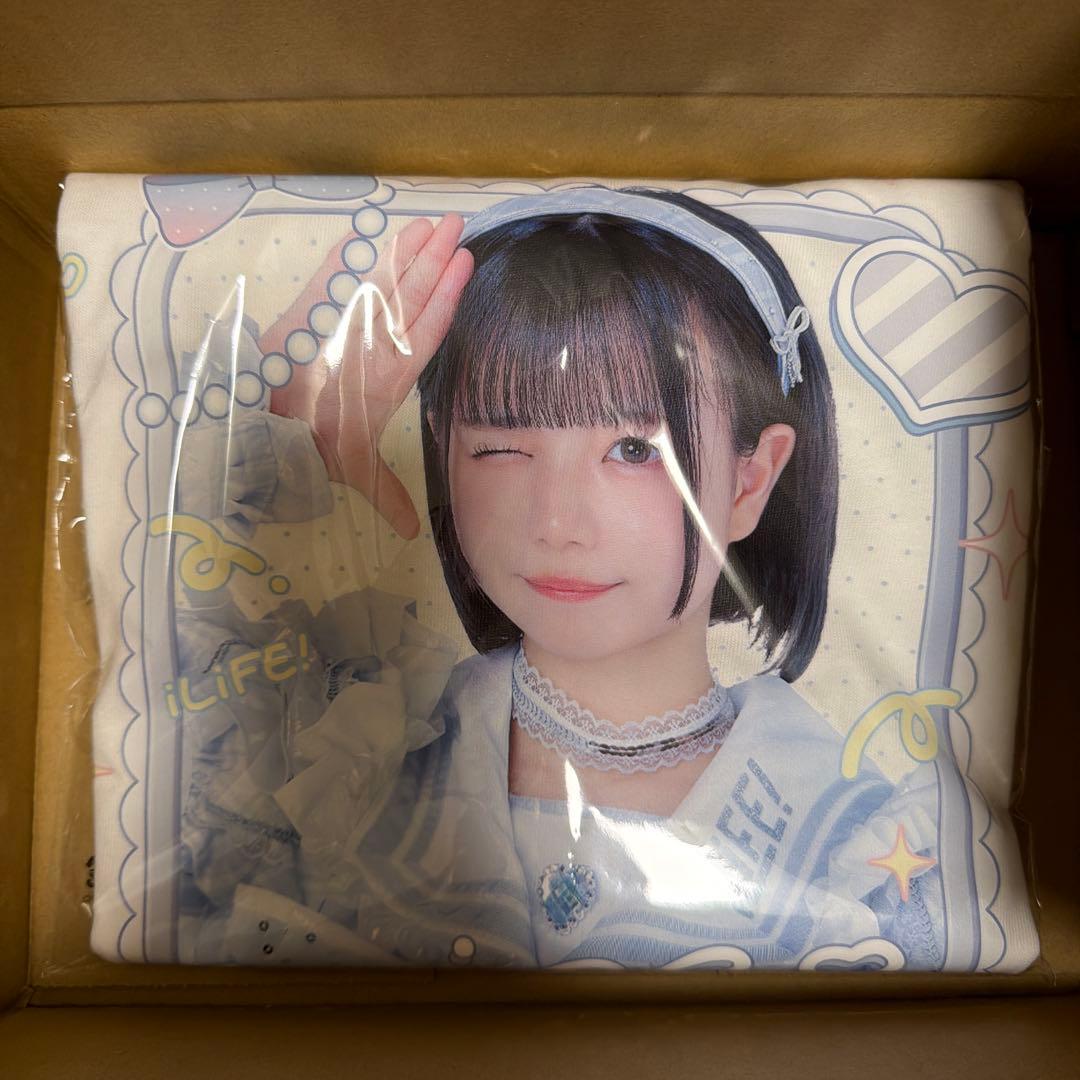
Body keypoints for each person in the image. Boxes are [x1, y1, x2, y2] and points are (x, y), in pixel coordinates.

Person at [184, 188, 944, 969]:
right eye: (500, 448)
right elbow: (183, 887)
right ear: (442, 448)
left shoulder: (852, 834)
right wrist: (275, 472)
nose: (556, 522)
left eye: (634, 450)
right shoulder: (360, 741)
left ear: (751, 480)